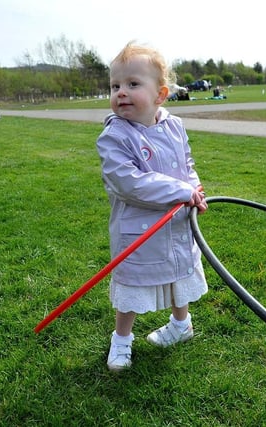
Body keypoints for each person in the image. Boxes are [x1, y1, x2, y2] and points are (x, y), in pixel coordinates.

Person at [95, 42, 208, 372]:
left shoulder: (174, 127)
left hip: (175, 222)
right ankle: (121, 340)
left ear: (160, 94)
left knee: (178, 273)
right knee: (133, 281)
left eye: (133, 84)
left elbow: (187, 164)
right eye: (115, 86)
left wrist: (195, 188)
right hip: (139, 228)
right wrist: (182, 190)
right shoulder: (114, 135)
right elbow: (127, 182)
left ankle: (180, 325)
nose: (121, 93)